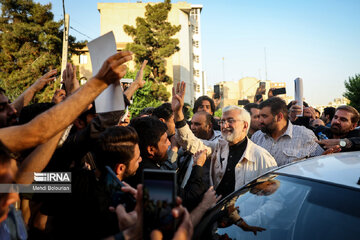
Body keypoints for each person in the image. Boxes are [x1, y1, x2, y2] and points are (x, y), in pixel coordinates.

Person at [173, 82, 277, 199]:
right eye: (222, 121)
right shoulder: (218, 147)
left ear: (244, 125)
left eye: (230, 120)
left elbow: (272, 200)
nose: (224, 125)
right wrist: (178, 114)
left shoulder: (262, 158)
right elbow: (190, 142)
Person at [49, 126, 142, 239]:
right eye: (137, 159)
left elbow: (25, 186)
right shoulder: (123, 212)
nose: (141, 160)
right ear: (120, 168)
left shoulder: (71, 178)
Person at [251, 97, 324, 166]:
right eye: (258, 116)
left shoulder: (305, 135)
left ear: (279, 117)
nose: (260, 121)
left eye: (264, 116)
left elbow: (319, 163)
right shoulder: (256, 137)